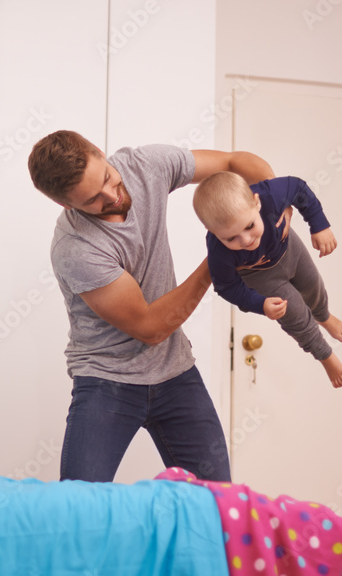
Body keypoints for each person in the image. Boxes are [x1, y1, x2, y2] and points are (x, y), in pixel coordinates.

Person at [27, 131, 283, 483]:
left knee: (217, 501)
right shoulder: (76, 248)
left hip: (175, 372)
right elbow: (150, 328)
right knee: (80, 508)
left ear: (101, 154)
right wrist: (220, 259)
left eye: (106, 178)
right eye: (92, 200)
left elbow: (233, 161)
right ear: (67, 205)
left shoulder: (145, 165)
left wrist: (274, 204)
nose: (112, 195)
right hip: (107, 380)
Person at [192, 171, 342, 388]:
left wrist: (319, 225)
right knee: (294, 313)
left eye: (249, 226)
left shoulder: (269, 196)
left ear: (256, 203)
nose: (246, 240)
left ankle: (323, 316)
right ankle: (326, 356)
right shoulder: (219, 252)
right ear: (211, 231)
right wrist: (260, 304)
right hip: (259, 275)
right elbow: (226, 286)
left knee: (313, 285)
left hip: (289, 249)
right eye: (231, 238)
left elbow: (297, 187)